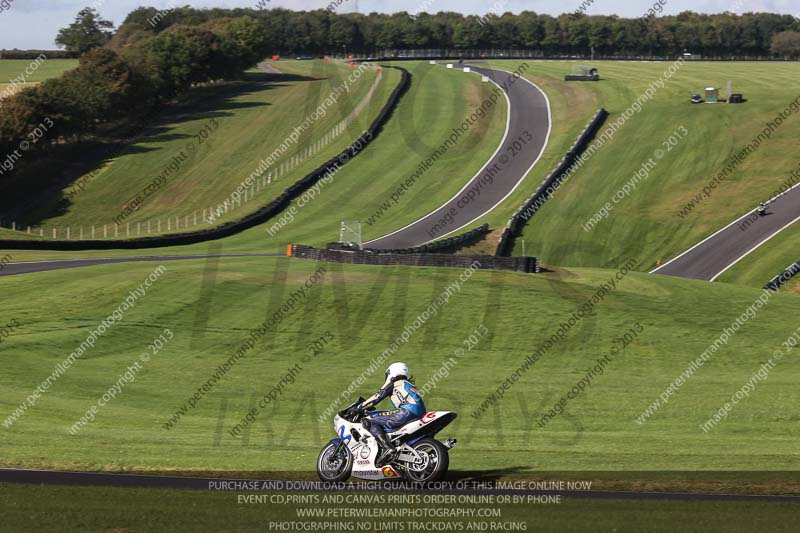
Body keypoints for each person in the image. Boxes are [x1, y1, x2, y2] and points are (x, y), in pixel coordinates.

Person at [360, 362, 426, 466]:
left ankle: (388, 447)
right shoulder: (408, 384)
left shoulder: (395, 383)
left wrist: (360, 407)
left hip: (407, 411)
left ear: (392, 372)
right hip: (421, 413)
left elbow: (377, 397)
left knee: (370, 422)